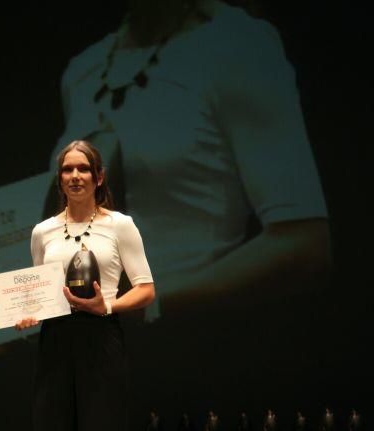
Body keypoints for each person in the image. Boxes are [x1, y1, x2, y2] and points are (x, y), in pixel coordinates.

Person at [43, 0, 330, 319]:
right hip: (93, 348)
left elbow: (305, 245)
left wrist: (148, 305)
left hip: (195, 341)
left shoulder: (236, 47)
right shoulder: (83, 71)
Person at [16, 140, 154, 431]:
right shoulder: (43, 232)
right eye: (67, 170)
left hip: (101, 340)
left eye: (83, 169)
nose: (75, 176)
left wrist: (106, 307)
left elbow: (145, 288)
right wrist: (27, 313)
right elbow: (41, 291)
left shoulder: (120, 226)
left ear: (98, 177)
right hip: (56, 343)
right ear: (59, 179)